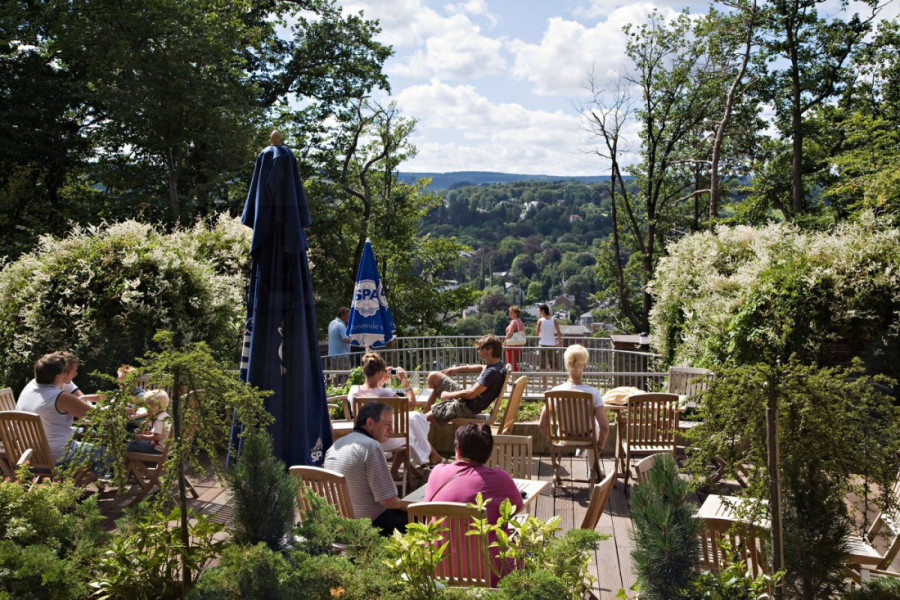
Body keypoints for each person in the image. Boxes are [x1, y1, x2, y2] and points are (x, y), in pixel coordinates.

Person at [424, 423, 523, 584]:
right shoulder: (500, 478)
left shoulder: (437, 472)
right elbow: (517, 507)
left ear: (458, 450)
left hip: (438, 567)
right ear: (488, 453)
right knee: (522, 546)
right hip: (489, 571)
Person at [348, 352, 443, 478]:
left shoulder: (354, 390)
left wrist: (381, 380)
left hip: (362, 439)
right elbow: (411, 404)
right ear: (378, 373)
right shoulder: (385, 393)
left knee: (411, 424)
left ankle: (397, 469)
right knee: (410, 428)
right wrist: (405, 382)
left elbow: (372, 390)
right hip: (384, 440)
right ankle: (429, 457)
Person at [324, 401, 410, 536]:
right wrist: (408, 505)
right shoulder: (370, 447)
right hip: (366, 527)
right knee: (418, 518)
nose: (391, 429)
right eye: (387, 424)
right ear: (370, 423)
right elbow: (388, 500)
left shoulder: (336, 446)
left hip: (338, 525)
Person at [15, 352, 109, 475]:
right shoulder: (61, 398)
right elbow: (96, 415)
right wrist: (118, 409)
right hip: (57, 457)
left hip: (28, 455)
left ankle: (68, 484)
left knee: (87, 441)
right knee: (108, 454)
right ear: (58, 376)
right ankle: (75, 488)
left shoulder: (30, 388)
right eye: (66, 371)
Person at [538, 344, 610, 454]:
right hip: (587, 438)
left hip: (565, 438)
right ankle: (593, 468)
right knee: (594, 424)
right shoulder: (593, 393)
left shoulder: (555, 392)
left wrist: (551, 441)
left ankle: (577, 457)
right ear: (585, 366)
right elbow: (604, 427)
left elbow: (542, 423)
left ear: (565, 364)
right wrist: (599, 446)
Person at [423, 334, 508, 427]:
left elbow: (470, 394)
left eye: (480, 348)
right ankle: (425, 412)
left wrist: (448, 395)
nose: (478, 351)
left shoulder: (492, 372)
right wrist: (457, 369)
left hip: (464, 407)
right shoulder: (498, 365)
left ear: (490, 349)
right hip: (466, 401)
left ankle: (423, 420)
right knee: (433, 376)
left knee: (421, 421)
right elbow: (481, 367)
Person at [535, 304, 563, 376]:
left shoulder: (540, 321)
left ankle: (544, 384)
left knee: (542, 365)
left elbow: (537, 333)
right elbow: (559, 332)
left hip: (542, 344)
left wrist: (542, 334)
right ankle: (554, 382)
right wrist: (559, 341)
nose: (539, 313)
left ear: (543, 311)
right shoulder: (554, 320)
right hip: (552, 344)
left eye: (539, 311)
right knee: (553, 363)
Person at [502, 305, 526, 372]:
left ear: (515, 313)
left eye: (511, 312)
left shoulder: (513, 322)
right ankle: (515, 377)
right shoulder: (520, 322)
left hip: (511, 344)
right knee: (514, 361)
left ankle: (515, 378)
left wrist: (504, 342)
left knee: (511, 363)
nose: (509, 314)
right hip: (518, 344)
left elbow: (510, 333)